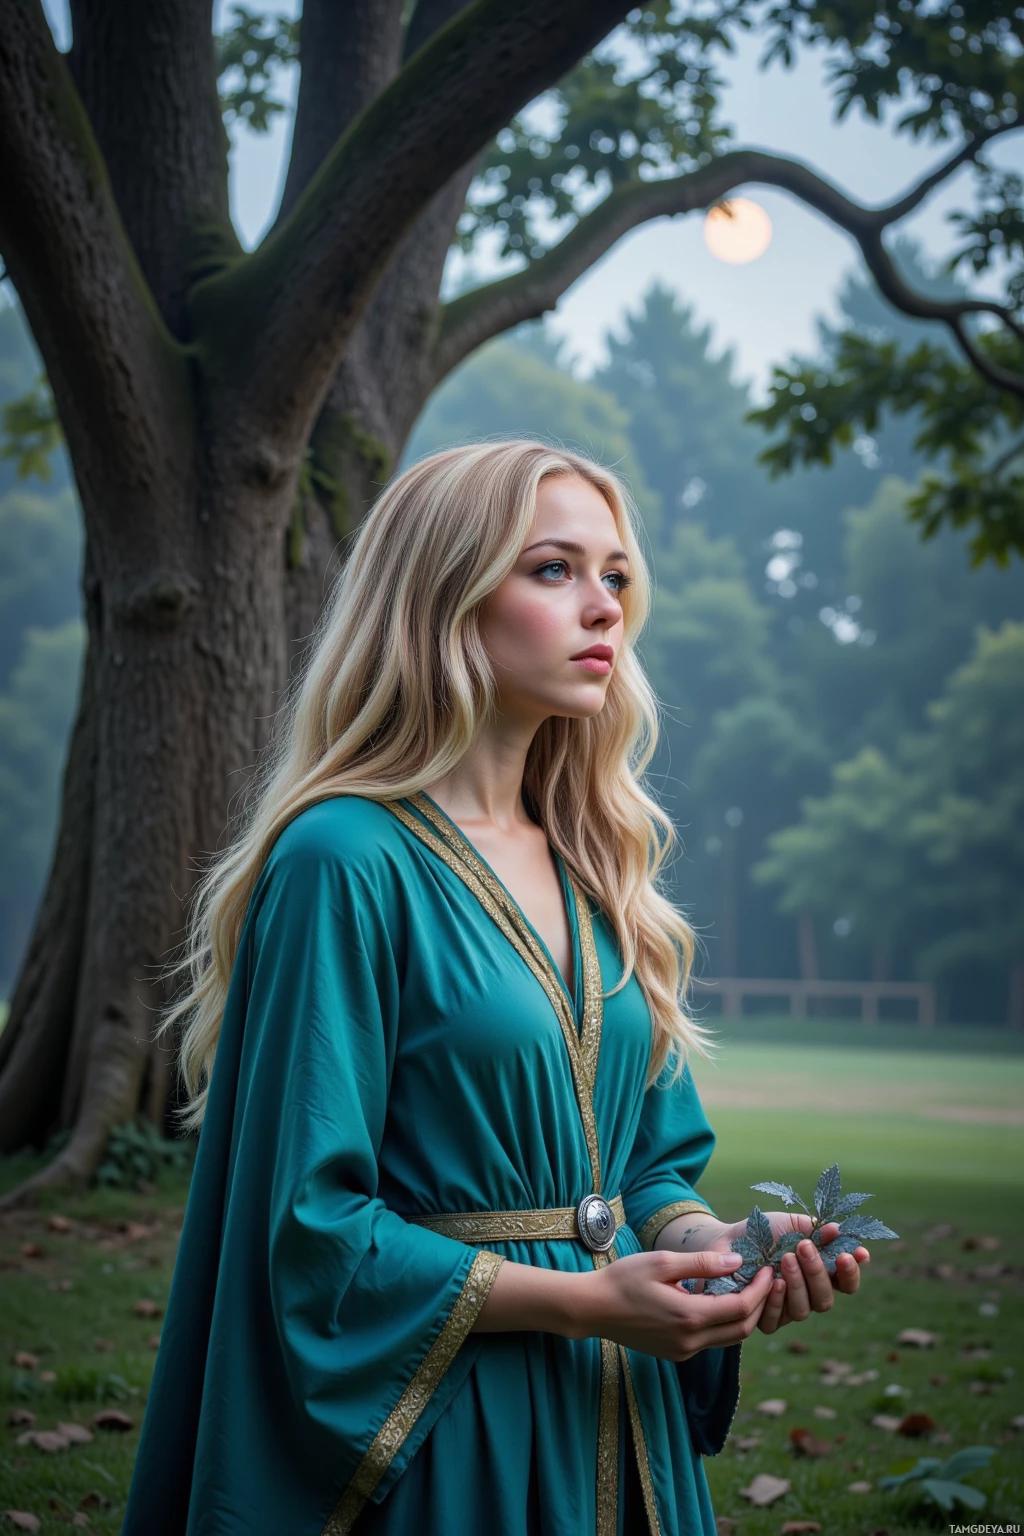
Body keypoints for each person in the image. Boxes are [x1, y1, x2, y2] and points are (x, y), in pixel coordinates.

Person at [122, 441, 868, 1536]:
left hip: (626, 1420)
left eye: (616, 576)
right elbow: (309, 1222)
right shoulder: (344, 859)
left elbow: (649, 1162)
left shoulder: (597, 861)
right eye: (554, 570)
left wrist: (713, 1245)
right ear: (441, 598)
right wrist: (581, 1301)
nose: (604, 607)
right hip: (452, 1419)